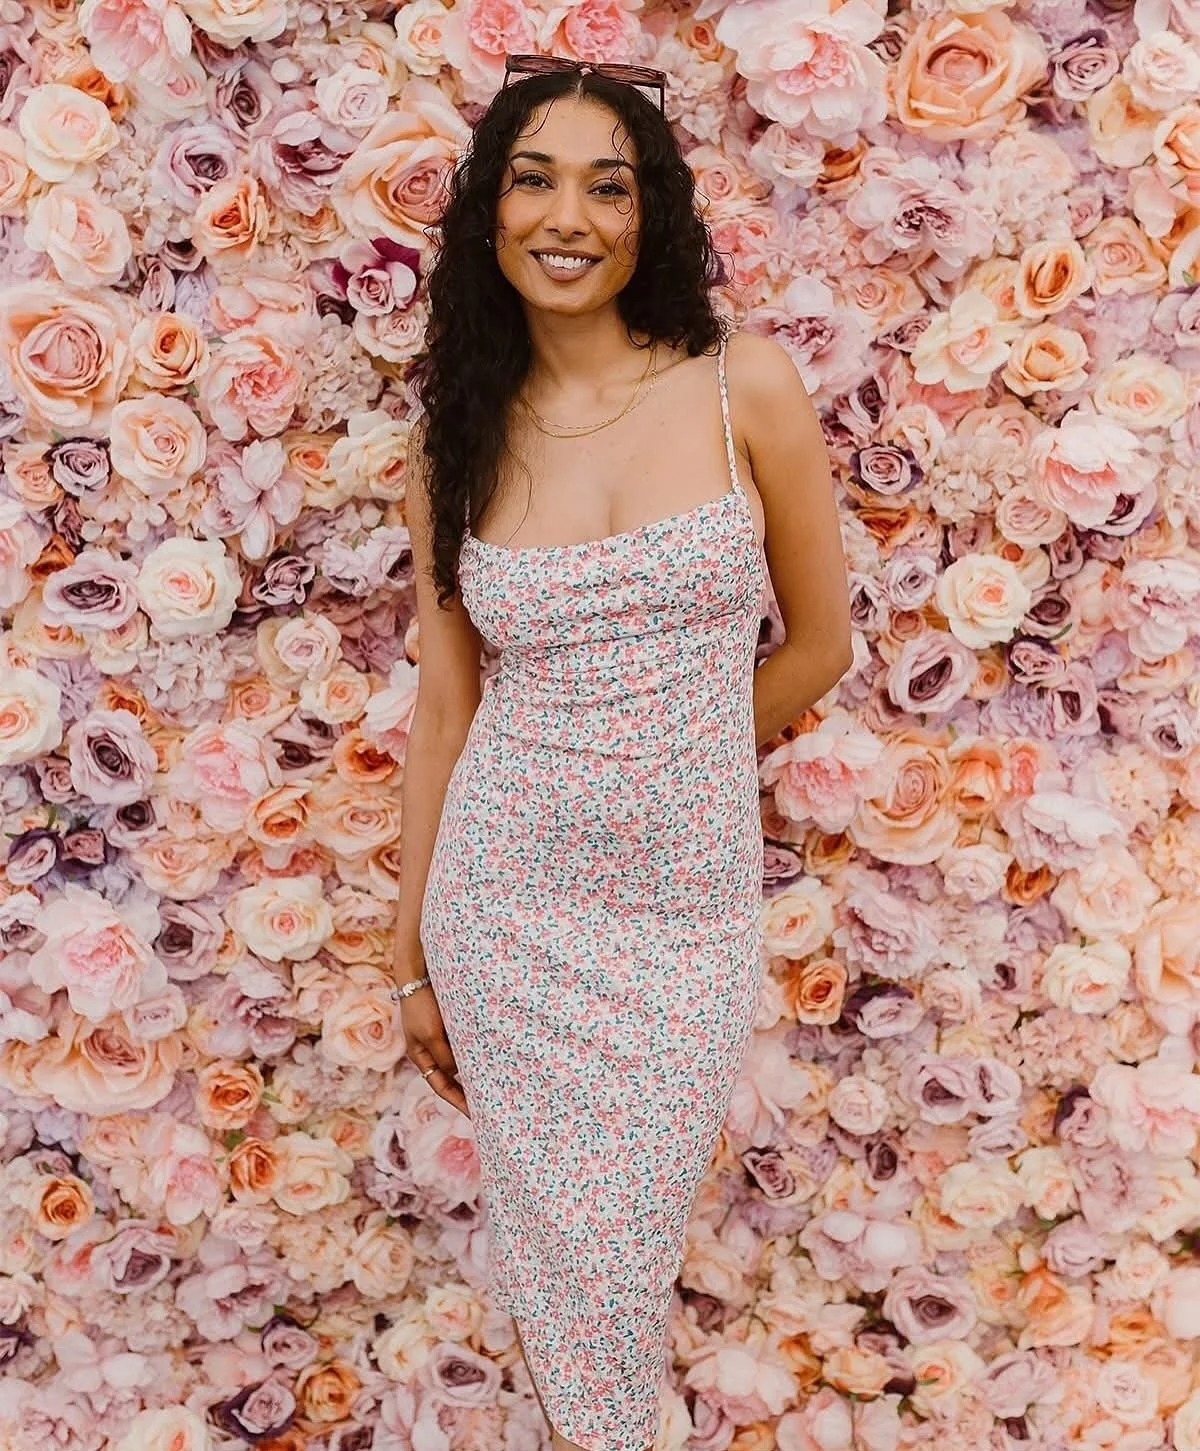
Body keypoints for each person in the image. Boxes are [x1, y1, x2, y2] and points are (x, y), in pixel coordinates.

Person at [390, 52, 852, 1451]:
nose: (566, 215)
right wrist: (410, 954)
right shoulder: (455, 443)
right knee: (560, 1283)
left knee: (618, 1266)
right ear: (488, 213)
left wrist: (675, 760)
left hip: (675, 922)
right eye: (533, 179)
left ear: (653, 219)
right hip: (503, 912)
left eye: (610, 184)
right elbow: (447, 713)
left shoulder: (742, 389)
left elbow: (822, 643)